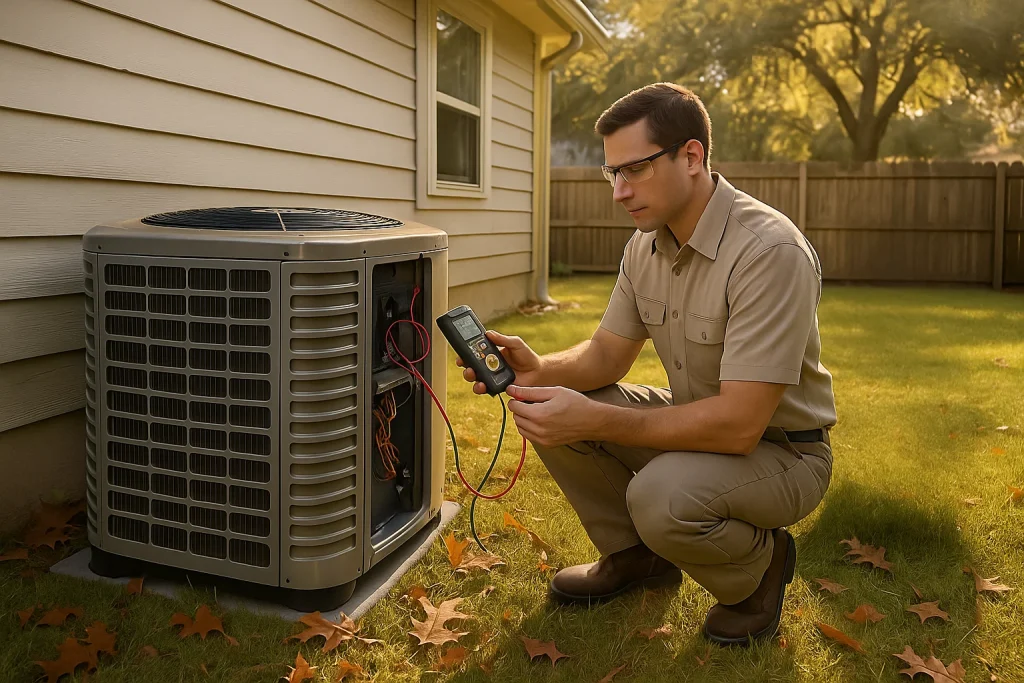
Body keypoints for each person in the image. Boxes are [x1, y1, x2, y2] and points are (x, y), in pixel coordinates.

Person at [456, 82, 836, 646]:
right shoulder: (644, 247)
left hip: (784, 450)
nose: (619, 191)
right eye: (612, 174)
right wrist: (537, 370)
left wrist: (594, 419)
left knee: (659, 494)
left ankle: (761, 569)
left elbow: (738, 424)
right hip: (703, 428)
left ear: (691, 156)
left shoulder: (768, 252)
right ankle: (639, 560)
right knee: (542, 408)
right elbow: (606, 356)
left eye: (634, 169)